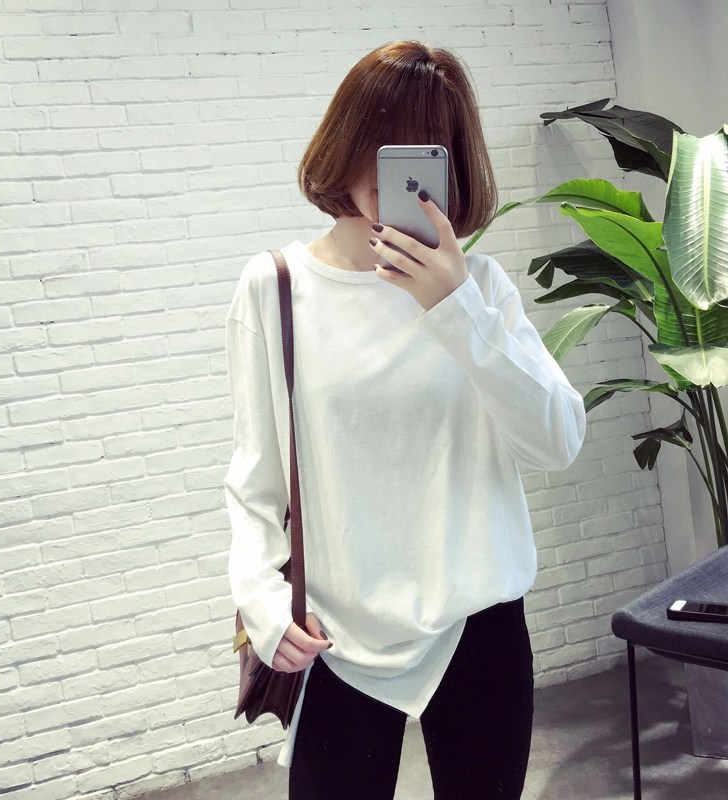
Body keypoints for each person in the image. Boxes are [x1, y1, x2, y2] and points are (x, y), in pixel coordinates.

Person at [224, 40, 586, 800]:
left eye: (425, 149)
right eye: (380, 140)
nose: (398, 169)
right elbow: (256, 478)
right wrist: (260, 598)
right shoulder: (277, 287)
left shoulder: (480, 288)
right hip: (334, 635)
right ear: (344, 141)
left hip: (478, 625)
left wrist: (457, 310)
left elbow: (557, 441)